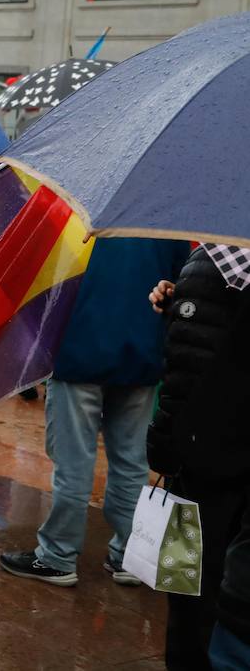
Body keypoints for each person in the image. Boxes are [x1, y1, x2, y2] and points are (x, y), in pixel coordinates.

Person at [0, 237, 187, 589]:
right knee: (132, 463)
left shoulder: (80, 210)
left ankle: (57, 556)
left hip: (78, 350)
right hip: (142, 353)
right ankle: (129, 557)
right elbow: (178, 283)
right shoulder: (164, 219)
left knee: (73, 463)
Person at [148, 245, 250, 670]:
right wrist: (180, 307)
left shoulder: (211, 261)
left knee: (186, 584)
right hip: (216, 454)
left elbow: (183, 372)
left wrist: (164, 451)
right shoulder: (209, 267)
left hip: (197, 459)